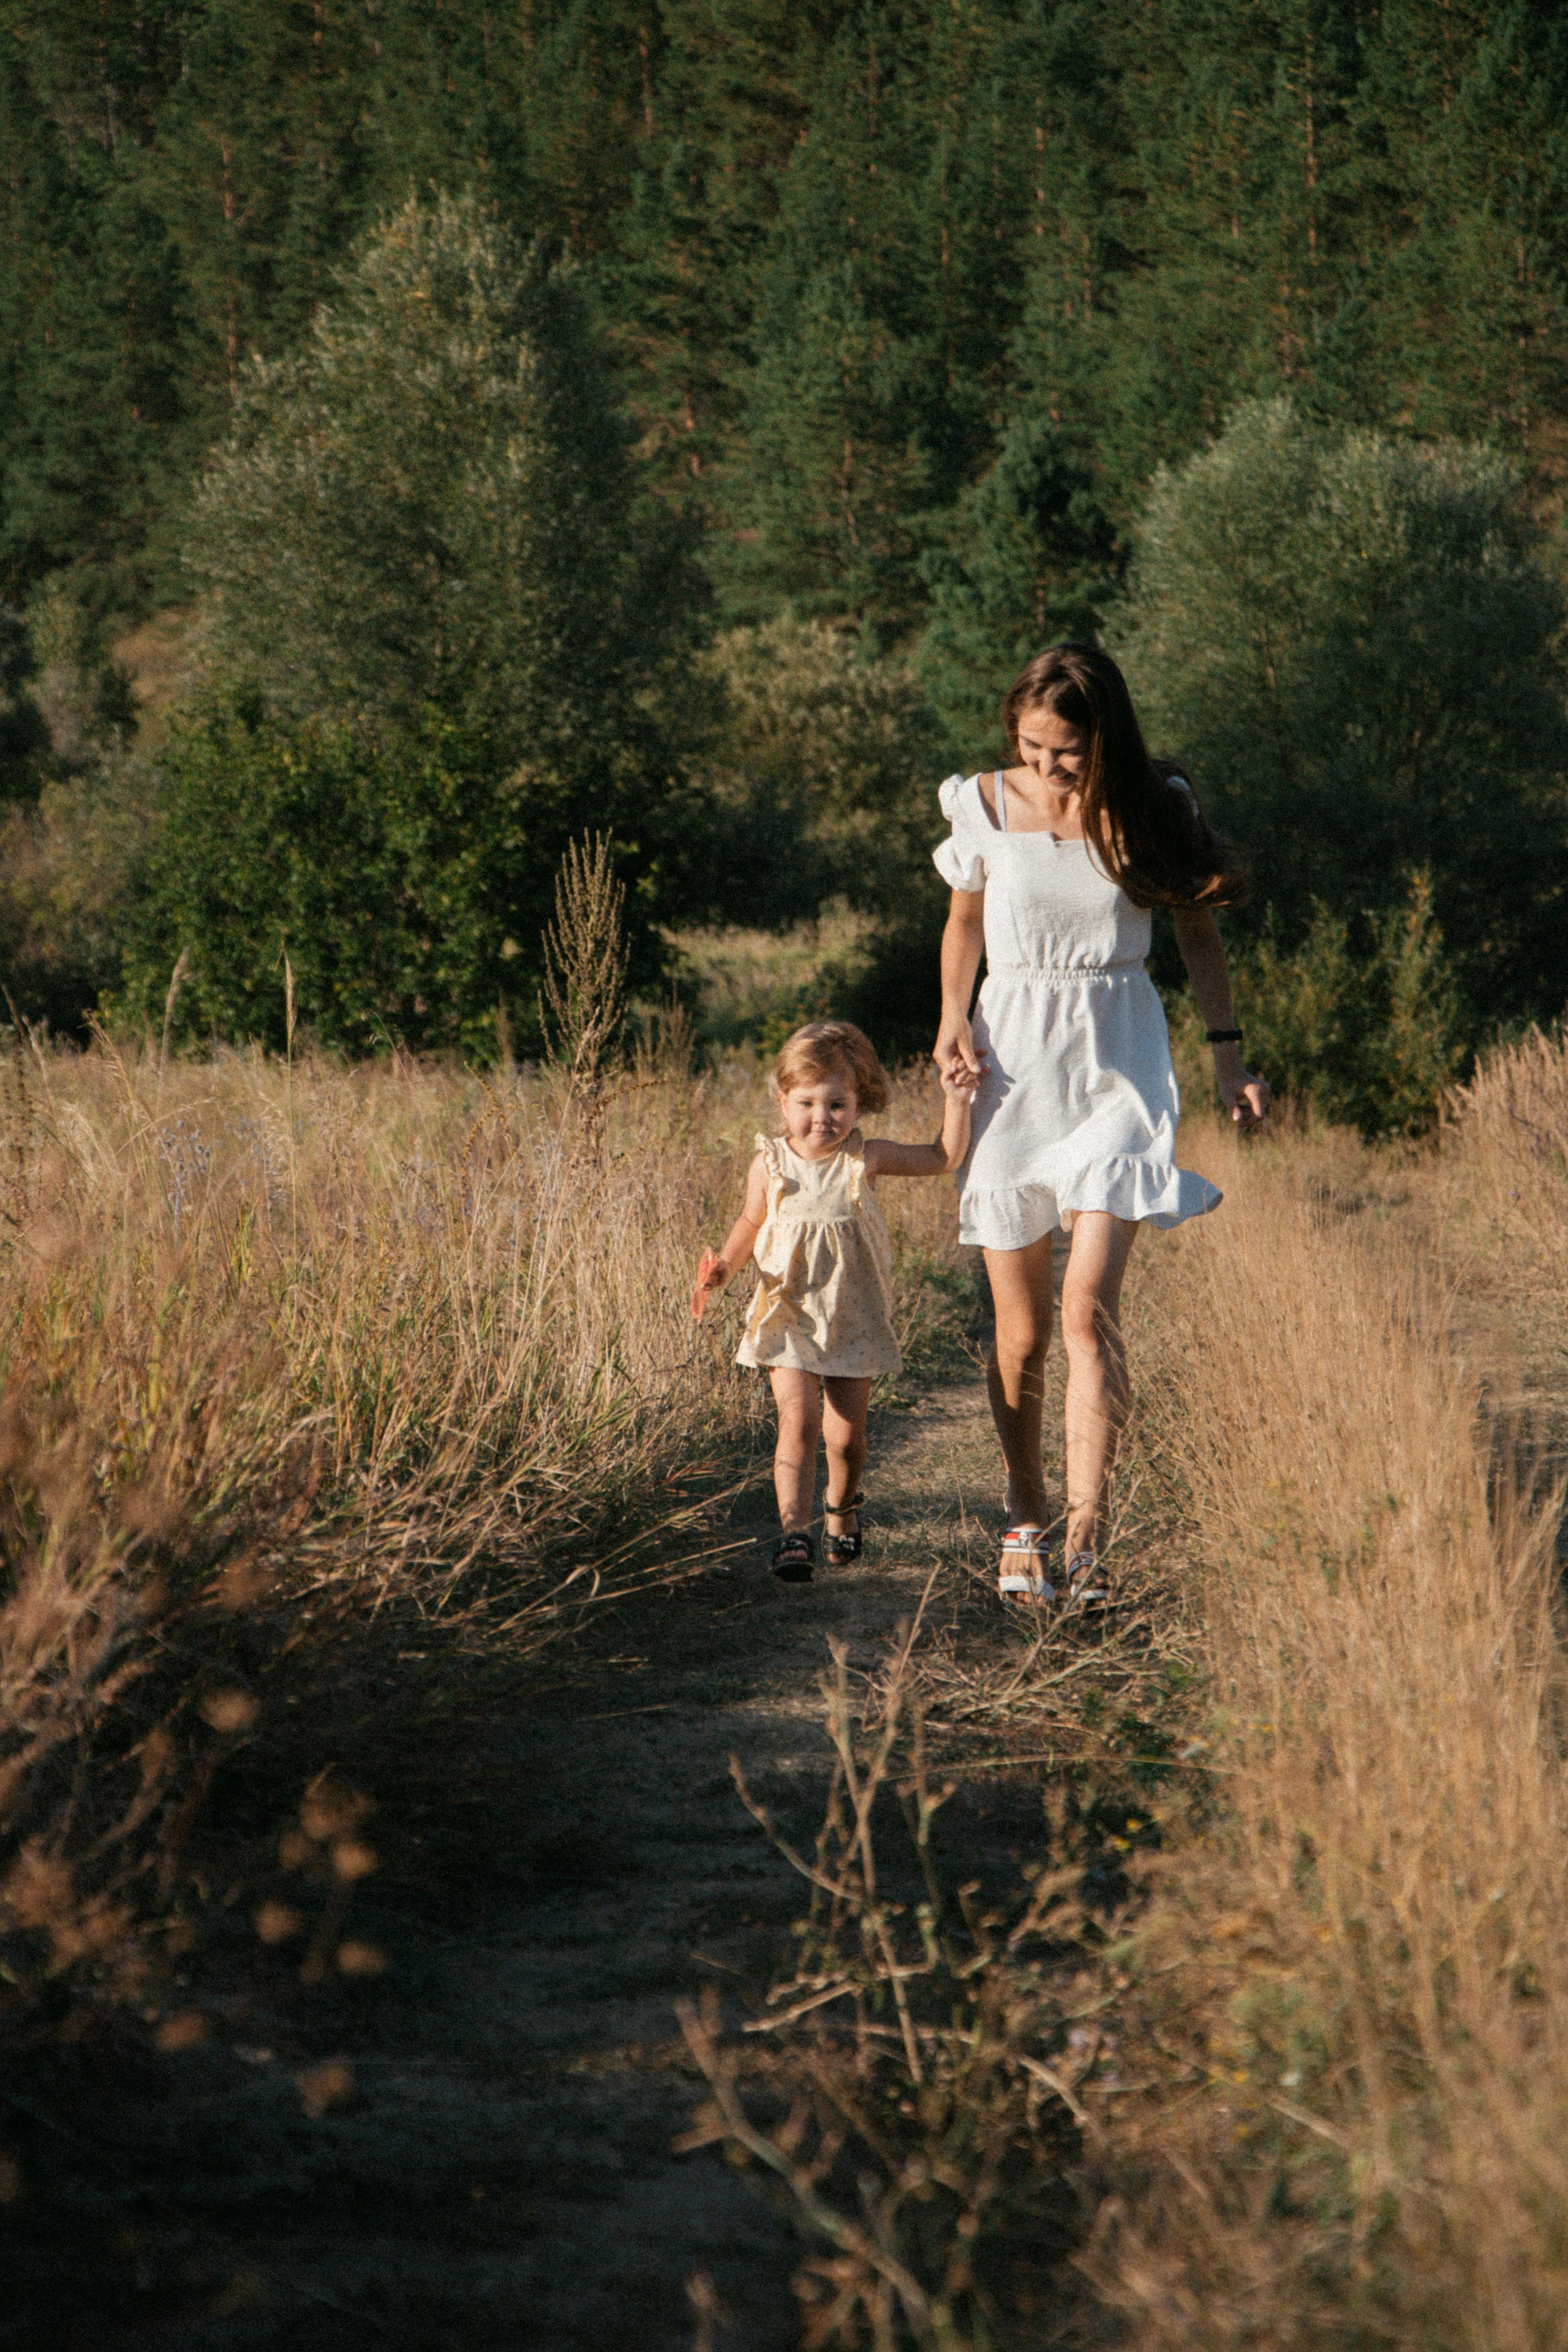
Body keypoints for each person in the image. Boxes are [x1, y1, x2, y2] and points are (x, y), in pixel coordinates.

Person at [932, 643, 1270, 1608]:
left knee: (1087, 1312)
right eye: (1032, 745)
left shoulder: (1155, 806)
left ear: (1106, 740)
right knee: (1023, 1333)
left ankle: (1086, 1537)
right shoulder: (983, 804)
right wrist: (952, 1017)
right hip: (1011, 1066)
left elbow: (1197, 931)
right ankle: (1025, 1509)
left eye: (1068, 752)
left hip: (1119, 1059)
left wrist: (1229, 1058)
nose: (1047, 766)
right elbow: (965, 924)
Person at [692, 1020, 974, 1583]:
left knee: (845, 1439)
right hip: (789, 1312)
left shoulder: (865, 1157)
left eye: (837, 1104)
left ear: (859, 1103)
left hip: (853, 1314)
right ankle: (793, 1534)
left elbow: (942, 1157)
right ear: (783, 1101)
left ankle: (841, 1508)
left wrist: (956, 1098)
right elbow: (751, 1220)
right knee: (797, 1421)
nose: (821, 1117)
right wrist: (723, 1268)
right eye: (807, 1103)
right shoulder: (770, 1162)